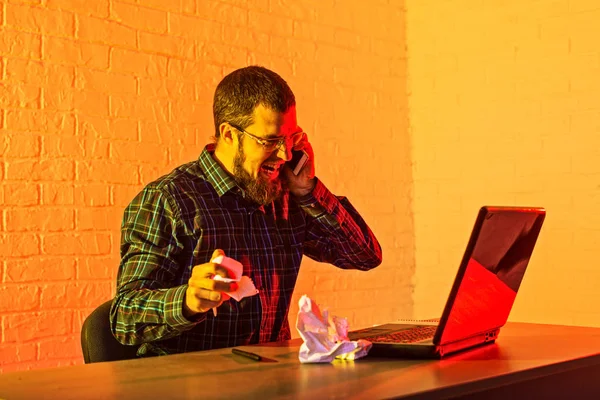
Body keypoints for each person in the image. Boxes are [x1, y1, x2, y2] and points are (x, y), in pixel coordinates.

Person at [110, 65, 382, 356]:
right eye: (270, 141)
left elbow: (365, 256)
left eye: (291, 139)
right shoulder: (169, 200)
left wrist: (308, 190)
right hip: (188, 384)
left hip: (270, 378)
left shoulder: (286, 195)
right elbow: (124, 318)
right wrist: (188, 301)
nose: (285, 155)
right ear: (228, 134)